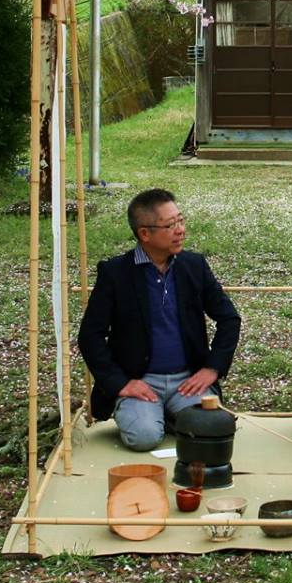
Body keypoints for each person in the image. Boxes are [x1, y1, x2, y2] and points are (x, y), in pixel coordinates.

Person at [76, 187, 241, 451]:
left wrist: (211, 368)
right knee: (144, 438)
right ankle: (156, 416)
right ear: (145, 233)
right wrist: (121, 383)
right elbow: (90, 336)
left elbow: (229, 319)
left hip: (187, 381)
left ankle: (173, 416)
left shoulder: (193, 266)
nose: (180, 230)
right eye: (170, 225)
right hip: (141, 380)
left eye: (181, 220)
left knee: (212, 429)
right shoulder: (116, 273)